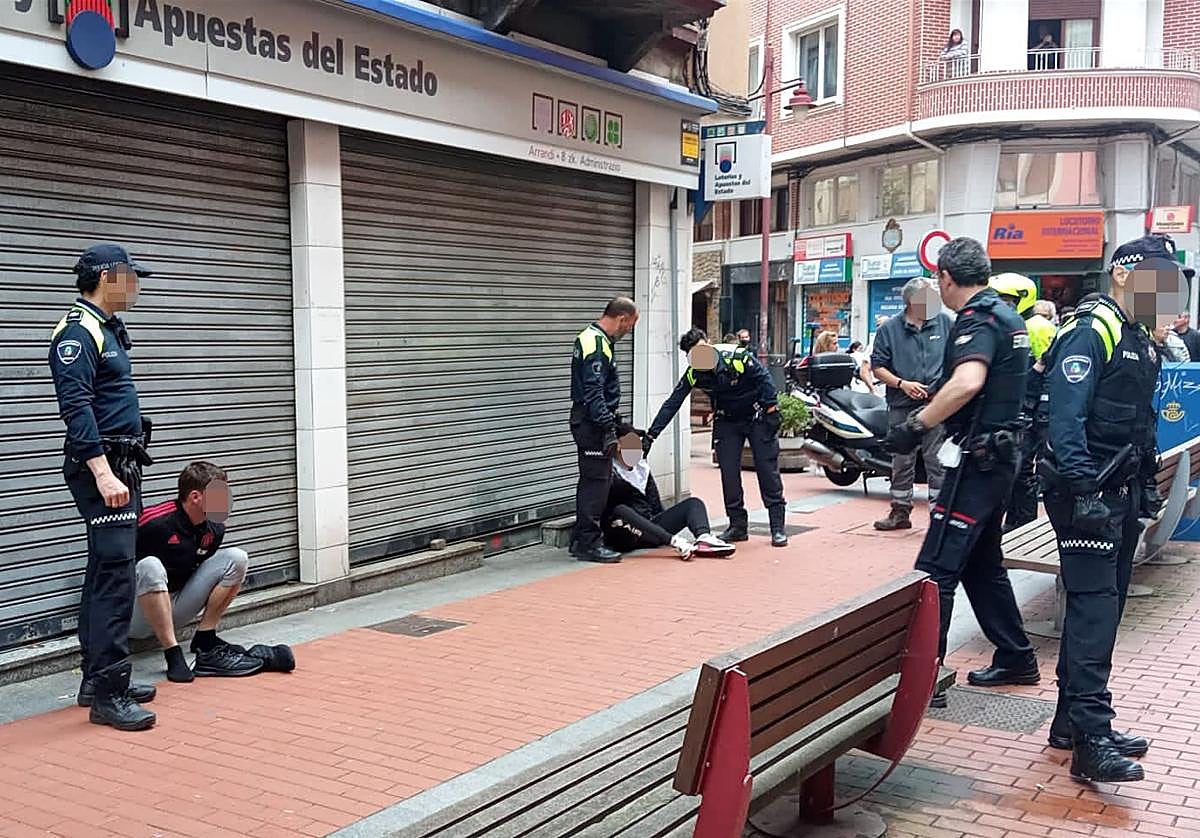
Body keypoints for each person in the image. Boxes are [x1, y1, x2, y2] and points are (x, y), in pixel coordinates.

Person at [1038, 234, 1191, 783]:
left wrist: (1145, 490)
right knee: (1095, 610)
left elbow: (1138, 423)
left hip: (1119, 493)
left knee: (1103, 608)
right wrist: (1083, 492)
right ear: (1124, 275)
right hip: (1088, 495)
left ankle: (1070, 723)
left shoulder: (1139, 337)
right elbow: (1065, 420)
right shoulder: (1092, 329)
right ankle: (1091, 742)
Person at [885, 238, 1038, 710]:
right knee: (982, 563)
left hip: (976, 461)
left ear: (946, 280)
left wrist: (917, 424)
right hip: (1001, 459)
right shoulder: (1009, 316)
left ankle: (922, 677)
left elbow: (970, 382)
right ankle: (1016, 656)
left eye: (939, 283)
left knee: (936, 569)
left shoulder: (977, 318)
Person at [49, 243, 157, 731]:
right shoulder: (78, 331)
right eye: (130, 277)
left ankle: (98, 680)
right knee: (115, 577)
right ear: (106, 277)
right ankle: (109, 696)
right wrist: (102, 471)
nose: (135, 285)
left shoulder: (107, 327)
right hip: (104, 468)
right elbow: (76, 408)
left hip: (120, 462)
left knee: (105, 569)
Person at [645, 328, 789, 547]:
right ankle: (738, 526)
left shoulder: (736, 356)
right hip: (728, 420)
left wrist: (771, 411)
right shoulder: (694, 372)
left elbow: (765, 379)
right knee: (729, 473)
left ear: (709, 343)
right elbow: (673, 403)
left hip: (756, 416)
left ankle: (777, 527)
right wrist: (651, 435)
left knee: (767, 470)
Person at [128, 462, 266, 682]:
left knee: (237, 558)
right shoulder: (154, 523)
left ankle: (205, 638)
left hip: (176, 606)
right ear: (195, 497)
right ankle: (172, 653)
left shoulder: (215, 528)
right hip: (135, 615)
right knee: (150, 566)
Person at [870, 278, 952, 530]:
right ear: (909, 302)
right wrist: (901, 383)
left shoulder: (945, 322)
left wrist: (941, 389)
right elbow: (877, 366)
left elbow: (956, 359)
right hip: (901, 404)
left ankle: (939, 517)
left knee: (937, 460)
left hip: (937, 404)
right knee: (902, 459)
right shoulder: (890, 329)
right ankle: (900, 512)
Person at [569, 297, 640, 563]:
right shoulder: (597, 344)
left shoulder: (592, 338)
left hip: (590, 420)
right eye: (630, 325)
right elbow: (594, 393)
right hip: (591, 424)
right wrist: (608, 428)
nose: (629, 331)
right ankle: (589, 544)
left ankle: (580, 540)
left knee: (592, 481)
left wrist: (620, 424)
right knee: (596, 485)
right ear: (622, 318)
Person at [988, 273, 1057, 531]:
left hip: (1030, 409)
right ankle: (1015, 521)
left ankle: (1022, 522)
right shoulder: (1009, 323)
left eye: (1007, 300)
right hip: (1017, 406)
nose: (1002, 304)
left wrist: (1036, 407)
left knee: (1022, 469)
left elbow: (1046, 368)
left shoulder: (1037, 326)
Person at [603, 444, 736, 560]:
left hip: (652, 529)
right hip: (626, 532)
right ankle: (673, 540)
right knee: (621, 510)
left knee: (693, 503)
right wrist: (670, 539)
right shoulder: (609, 472)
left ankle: (704, 539)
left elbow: (655, 505)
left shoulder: (642, 469)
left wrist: (664, 523)